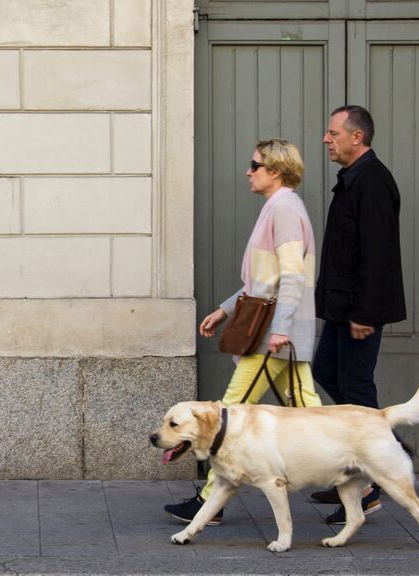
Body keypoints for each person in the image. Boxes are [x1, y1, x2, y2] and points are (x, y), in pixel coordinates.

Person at [164, 139, 322, 525]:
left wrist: (281, 329)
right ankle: (360, 474)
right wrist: (225, 309)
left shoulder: (283, 208)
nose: (248, 171)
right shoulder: (279, 206)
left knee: (230, 412)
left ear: (276, 171)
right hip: (276, 331)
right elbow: (261, 281)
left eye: (255, 165)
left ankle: (208, 503)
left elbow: (291, 277)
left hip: (271, 335)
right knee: (308, 407)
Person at [310, 105, 406, 525]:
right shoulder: (353, 181)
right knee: (328, 372)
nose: (326, 140)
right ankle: (380, 456)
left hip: (358, 311)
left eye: (333, 133)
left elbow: (378, 254)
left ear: (357, 137)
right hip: (340, 308)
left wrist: (366, 312)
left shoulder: (373, 182)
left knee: (356, 389)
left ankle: (369, 482)